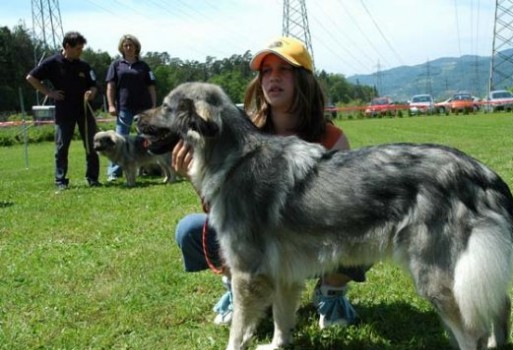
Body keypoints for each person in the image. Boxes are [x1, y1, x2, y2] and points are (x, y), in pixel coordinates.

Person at [173, 36, 366, 328]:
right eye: (266, 71)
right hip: (255, 242)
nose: (273, 78)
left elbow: (345, 206)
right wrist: (197, 181)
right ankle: (238, 288)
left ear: (303, 79)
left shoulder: (333, 139)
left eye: (284, 70)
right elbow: (224, 212)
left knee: (365, 218)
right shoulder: (240, 134)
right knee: (190, 229)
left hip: (311, 245)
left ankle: (331, 292)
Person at [26, 31, 100, 191]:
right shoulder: (52, 62)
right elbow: (31, 77)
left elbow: (94, 85)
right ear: (67, 46)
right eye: (78, 48)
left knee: (92, 145)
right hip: (64, 111)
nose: (81, 51)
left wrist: (91, 93)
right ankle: (60, 180)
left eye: (82, 48)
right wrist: (49, 93)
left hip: (84, 112)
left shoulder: (84, 66)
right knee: (61, 147)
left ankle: (92, 178)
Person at [105, 34, 157, 182]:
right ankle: (114, 173)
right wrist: (110, 104)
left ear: (136, 47)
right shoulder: (116, 65)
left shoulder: (144, 66)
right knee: (118, 141)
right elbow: (110, 87)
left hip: (144, 109)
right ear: (122, 48)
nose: (128, 48)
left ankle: (145, 169)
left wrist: (153, 106)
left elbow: (152, 87)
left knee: (144, 140)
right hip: (124, 108)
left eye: (131, 45)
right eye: (125, 45)